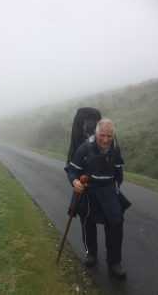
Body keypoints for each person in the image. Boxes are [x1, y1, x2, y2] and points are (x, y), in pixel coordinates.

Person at [66, 118, 130, 279]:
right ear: (96, 133)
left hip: (108, 191)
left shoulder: (115, 149)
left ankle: (114, 262)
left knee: (115, 223)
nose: (106, 139)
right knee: (88, 223)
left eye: (109, 135)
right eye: (102, 135)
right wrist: (75, 182)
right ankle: (91, 253)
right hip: (88, 191)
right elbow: (72, 170)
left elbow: (118, 173)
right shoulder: (85, 148)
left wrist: (116, 190)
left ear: (113, 135)